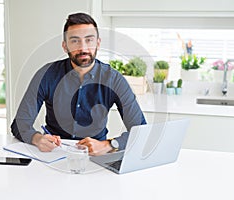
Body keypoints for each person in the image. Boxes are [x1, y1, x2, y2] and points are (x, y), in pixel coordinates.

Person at [11, 12, 146, 156]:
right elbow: (19, 124)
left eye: (89, 40)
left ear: (98, 43)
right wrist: (37, 139)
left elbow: (141, 131)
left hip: (96, 157)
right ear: (65, 46)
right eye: (75, 41)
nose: (83, 48)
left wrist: (109, 145)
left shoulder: (114, 79)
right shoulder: (46, 74)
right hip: (54, 154)